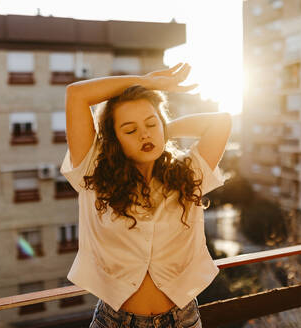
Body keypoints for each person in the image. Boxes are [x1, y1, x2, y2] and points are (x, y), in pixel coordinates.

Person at [60, 63, 231, 328]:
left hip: (182, 321)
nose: (144, 134)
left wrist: (162, 130)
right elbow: (76, 94)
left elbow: (221, 122)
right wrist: (146, 81)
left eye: (151, 123)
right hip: (114, 322)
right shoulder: (93, 173)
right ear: (114, 139)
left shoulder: (188, 174)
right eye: (129, 130)